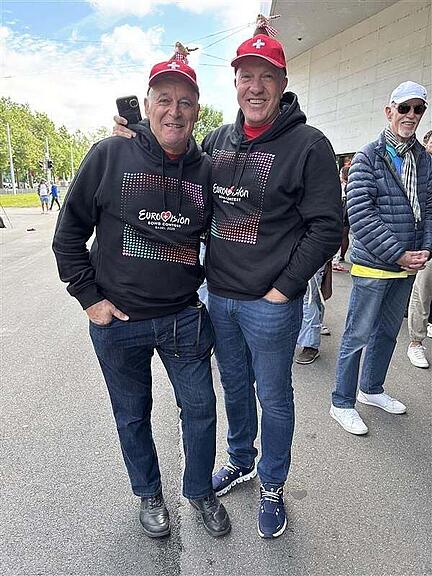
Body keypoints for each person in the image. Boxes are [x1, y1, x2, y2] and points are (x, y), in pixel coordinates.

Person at [113, 22, 342, 539]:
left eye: (267, 76)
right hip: (218, 299)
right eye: (246, 76)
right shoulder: (216, 141)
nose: (255, 87)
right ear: (234, 82)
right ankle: (241, 460)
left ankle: (272, 486)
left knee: (274, 398)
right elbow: (171, 162)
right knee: (234, 389)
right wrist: (136, 136)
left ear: (283, 83)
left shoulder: (309, 145)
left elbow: (328, 227)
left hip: (270, 305)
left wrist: (284, 288)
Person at [53, 55, 231, 539]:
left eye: (185, 102)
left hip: (183, 319)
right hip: (119, 322)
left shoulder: (205, 170)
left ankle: (200, 491)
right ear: (148, 104)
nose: (174, 111)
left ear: (198, 111)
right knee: (132, 415)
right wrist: (89, 298)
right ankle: (149, 494)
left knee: (200, 410)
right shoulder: (110, 155)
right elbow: (68, 234)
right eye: (164, 99)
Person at [331, 81, 432, 435]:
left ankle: (371, 389)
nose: (411, 115)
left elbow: (428, 208)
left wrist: (426, 248)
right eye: (404, 108)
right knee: (357, 335)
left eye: (418, 109)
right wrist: (399, 254)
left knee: (388, 333)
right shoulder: (368, 156)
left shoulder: (423, 159)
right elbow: (360, 214)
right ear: (389, 111)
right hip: (375, 265)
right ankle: (341, 402)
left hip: (407, 266)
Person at [332, 165, 350, 272]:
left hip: (343, 211)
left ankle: (338, 257)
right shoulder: (350, 184)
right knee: (345, 234)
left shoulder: (344, 185)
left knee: (342, 234)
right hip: (346, 211)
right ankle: (341, 256)